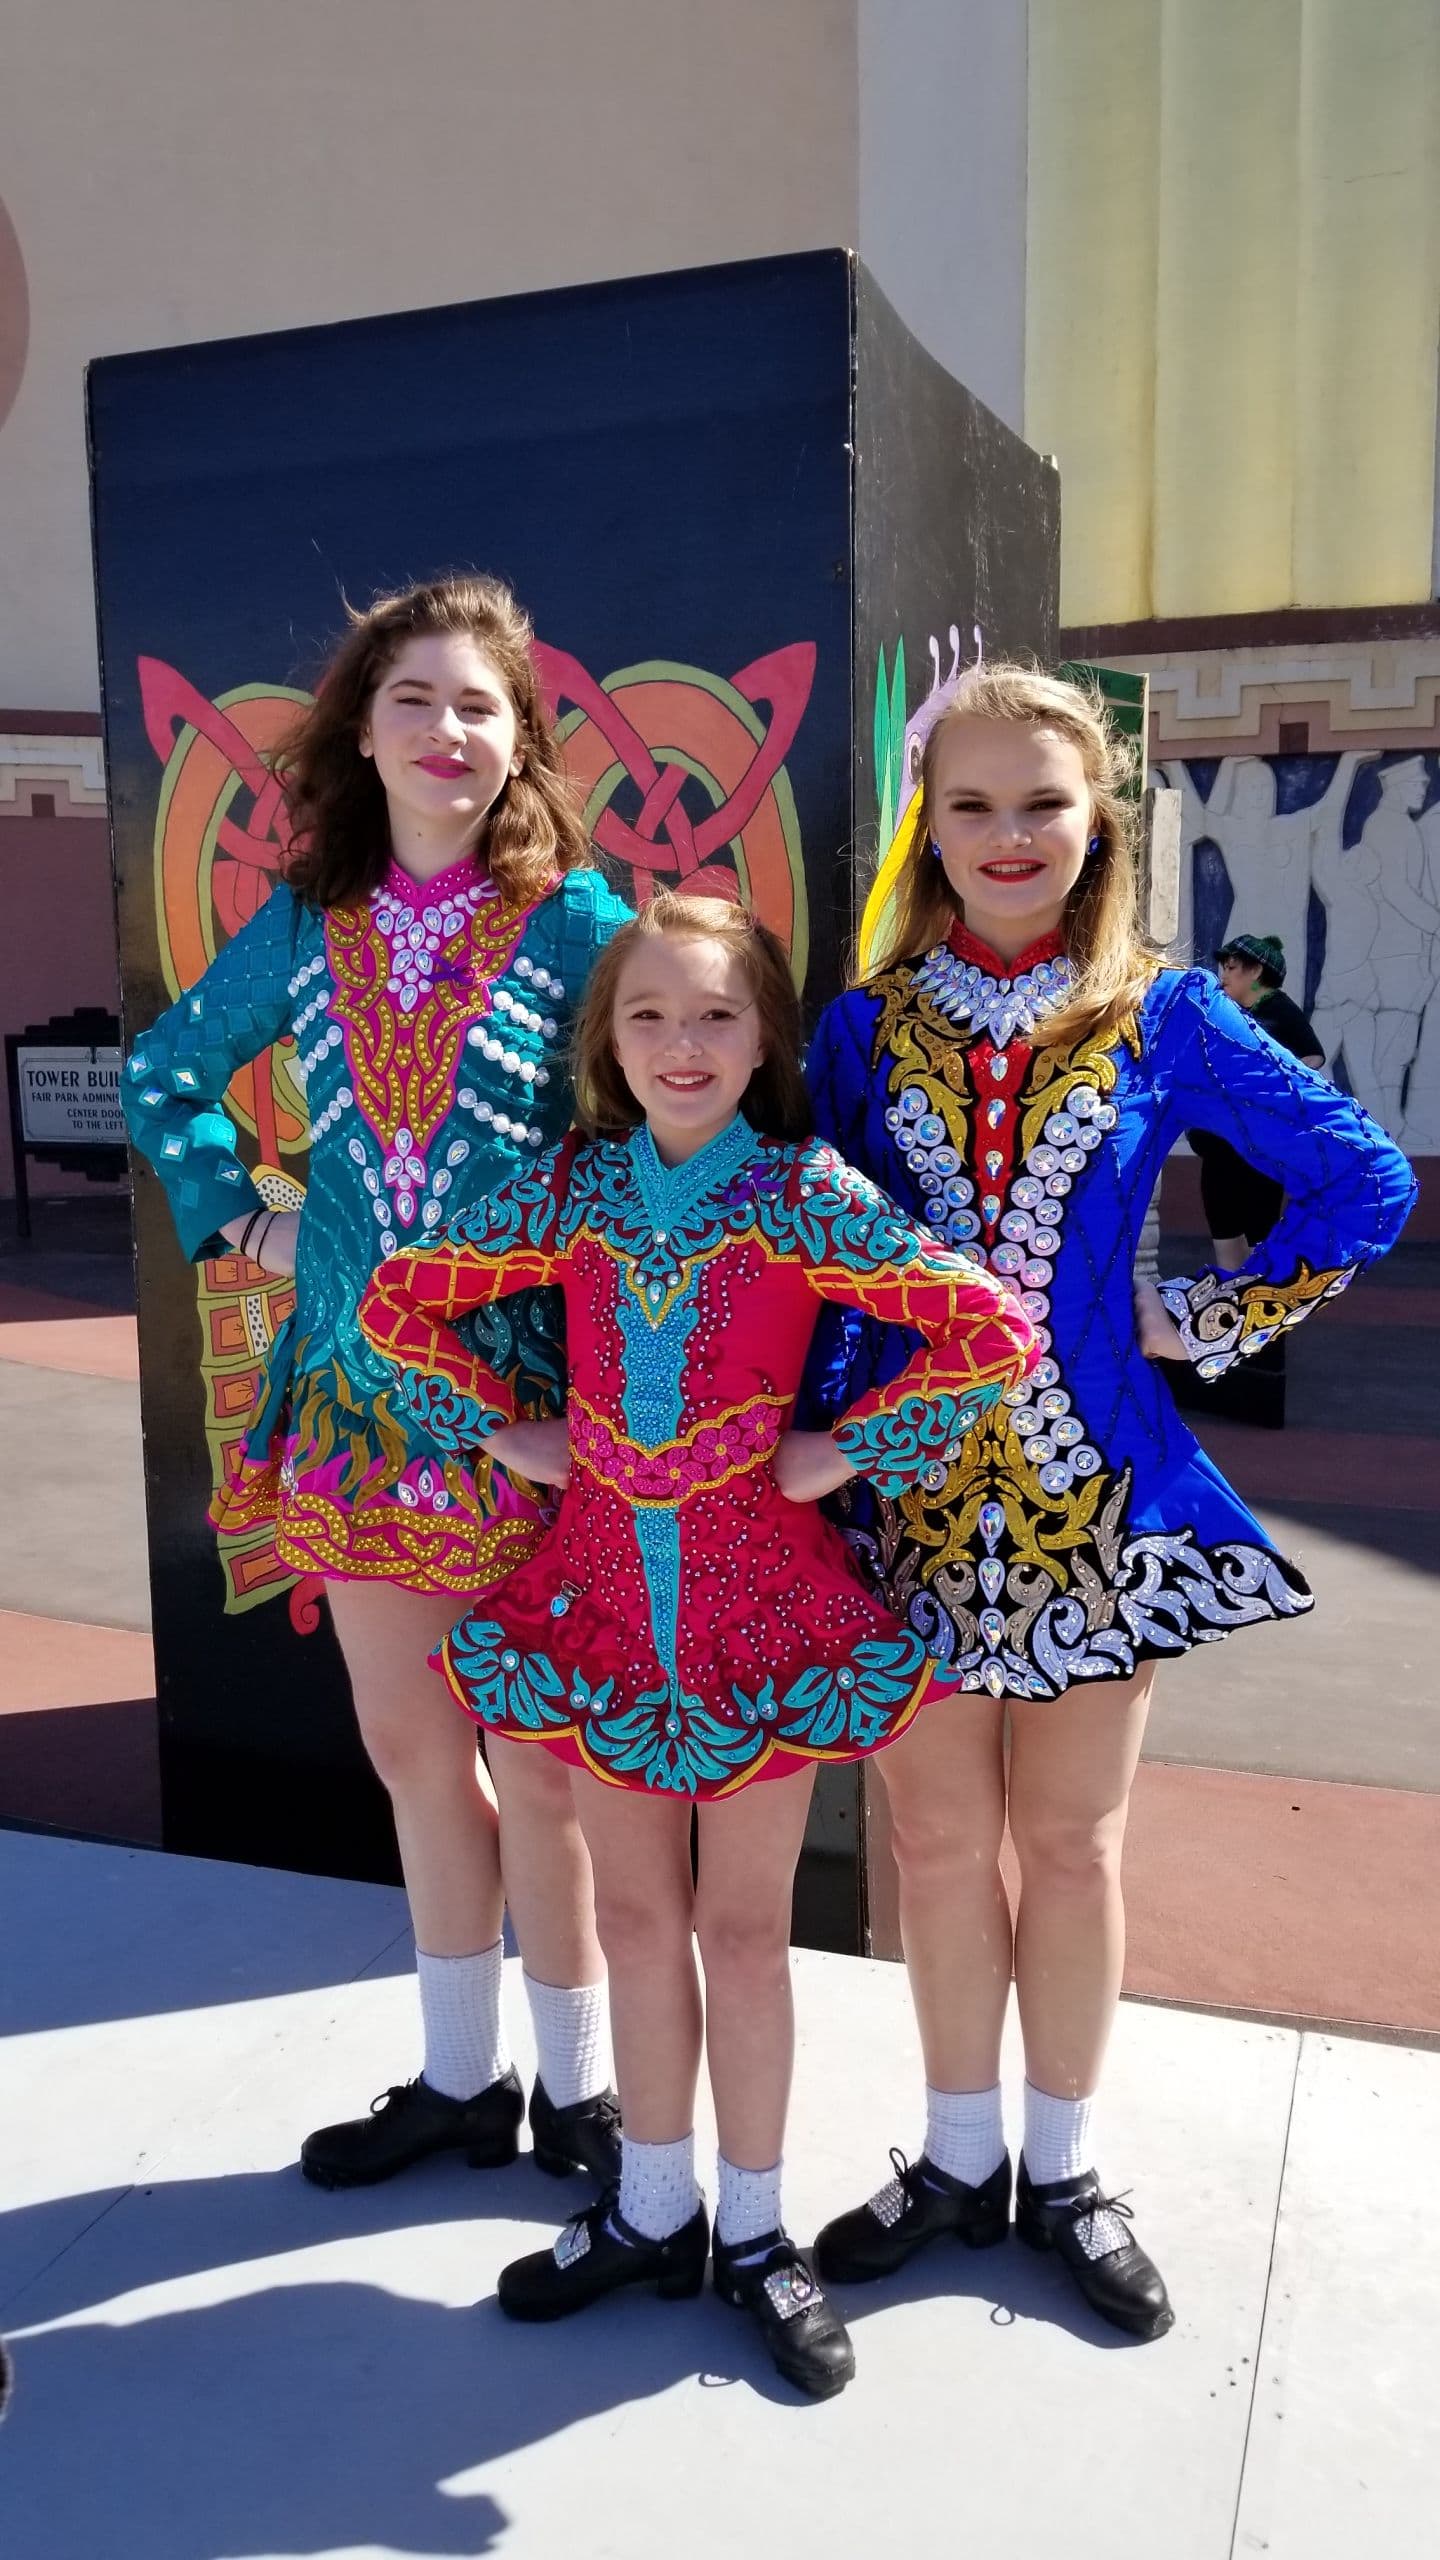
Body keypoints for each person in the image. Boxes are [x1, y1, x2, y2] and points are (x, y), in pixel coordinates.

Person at [801, 664, 1416, 2341]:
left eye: (1043, 806)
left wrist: (1208, 1313)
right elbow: (807, 1247)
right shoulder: (862, 1029)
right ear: (932, 818)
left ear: (1099, 824)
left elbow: (1362, 1175)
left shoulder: (1165, 1012)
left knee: (1068, 1844)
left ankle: (1063, 2173)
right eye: (975, 804)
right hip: (911, 1510)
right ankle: (949, 2160)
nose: (1008, 837)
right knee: (935, 1841)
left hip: (1103, 1507)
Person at [359, 892, 1039, 2396]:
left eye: (717, 1014)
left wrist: (839, 1448)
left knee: (743, 1929)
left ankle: (752, 2228)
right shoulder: (575, 1190)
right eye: (649, 1014)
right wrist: (505, 1430)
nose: (682, 1043)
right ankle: (650, 2206)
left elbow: (989, 1332)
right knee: (631, 1922)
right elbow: (401, 1306)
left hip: (759, 1624)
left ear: (766, 1039)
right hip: (598, 1609)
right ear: (606, 1039)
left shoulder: (804, 1195)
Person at [122, 573, 632, 2191]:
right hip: (352, 1407)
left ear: (522, 741)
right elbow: (166, 1073)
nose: (444, 730)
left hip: (532, 1418)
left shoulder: (582, 925)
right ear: (360, 731)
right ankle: (461, 2080)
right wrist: (244, 1222)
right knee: (418, 1751)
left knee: (545, 1770)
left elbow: (675, 1122)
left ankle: (587, 2091)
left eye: (478, 703)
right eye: (411, 699)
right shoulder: (306, 922)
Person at [1193, 934, 1325, 1267]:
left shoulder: (1276, 1007)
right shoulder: (1229, 1012)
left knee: (1257, 1235)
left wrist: (1269, 1083)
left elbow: (1313, 1056)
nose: (1224, 975)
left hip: (1258, 1147)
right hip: (1223, 1144)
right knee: (1224, 1229)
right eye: (1224, 967)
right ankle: (1228, 1298)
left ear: (1255, 971)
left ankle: (1254, 1304)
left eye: (1233, 968)